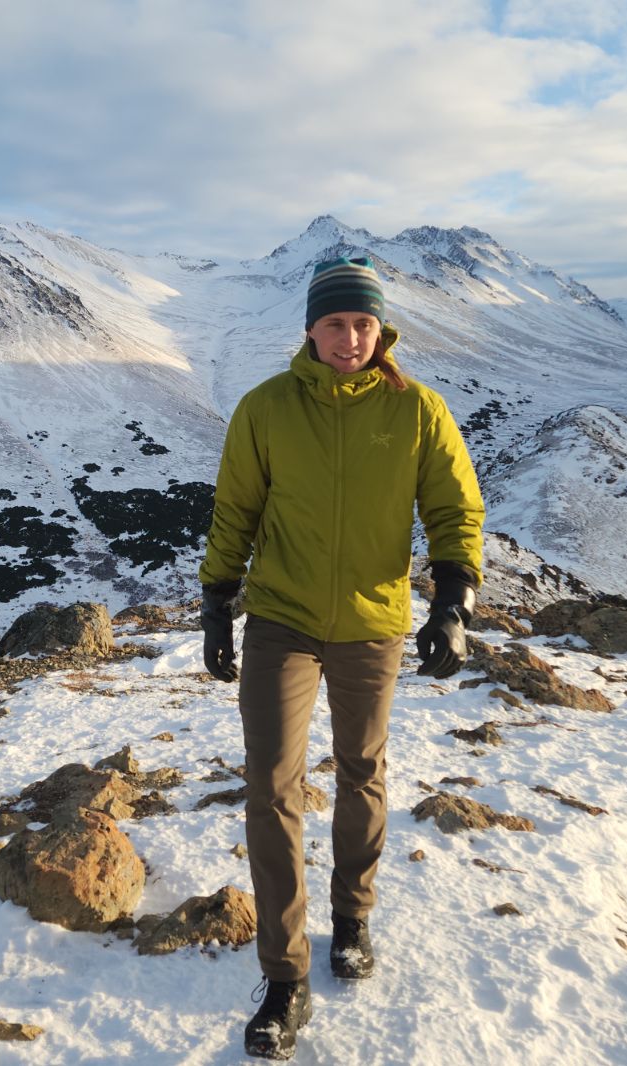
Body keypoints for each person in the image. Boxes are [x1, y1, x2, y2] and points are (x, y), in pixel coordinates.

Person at [198, 256, 485, 1060]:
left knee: (362, 767)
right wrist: (219, 601)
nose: (350, 338)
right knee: (272, 786)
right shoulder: (265, 410)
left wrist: (452, 602)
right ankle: (285, 980)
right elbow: (237, 510)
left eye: (363, 324)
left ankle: (353, 916)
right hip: (282, 619)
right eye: (336, 324)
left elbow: (455, 507)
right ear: (311, 329)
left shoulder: (418, 411)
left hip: (371, 624)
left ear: (380, 329)